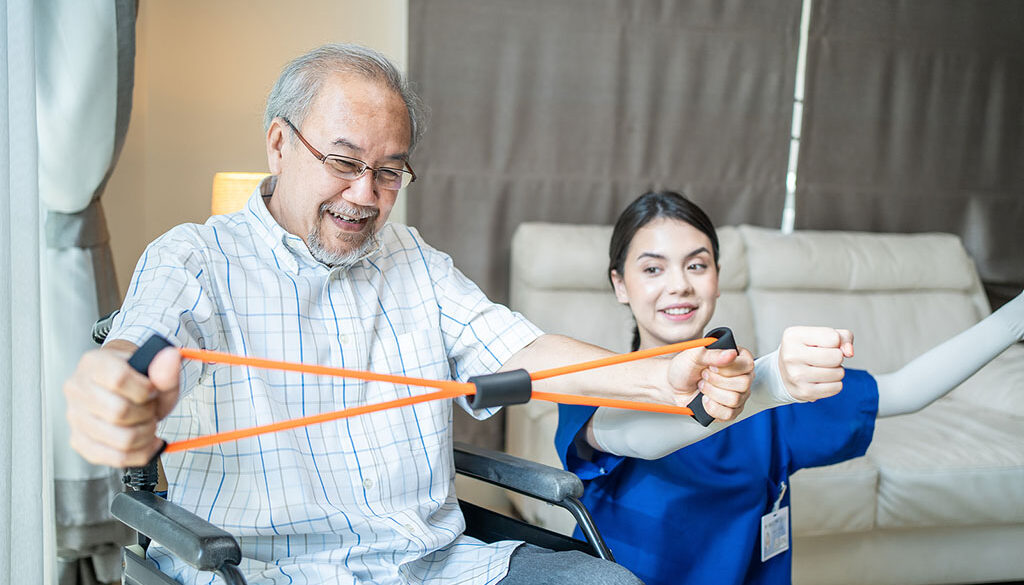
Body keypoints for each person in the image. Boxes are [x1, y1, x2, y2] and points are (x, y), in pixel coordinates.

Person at [60, 45, 764, 585]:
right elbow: (133, 352)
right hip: (262, 569)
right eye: (343, 161)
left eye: (390, 171)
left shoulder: (415, 260)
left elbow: (518, 349)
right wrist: (113, 390)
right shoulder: (196, 258)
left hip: (437, 566)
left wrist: (660, 376)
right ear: (278, 144)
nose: (365, 194)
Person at [554, 190, 1024, 585]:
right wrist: (767, 382)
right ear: (620, 284)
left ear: (717, 278)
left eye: (697, 266)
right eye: (653, 269)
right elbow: (632, 436)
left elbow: (905, 391)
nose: (679, 285)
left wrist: (1014, 316)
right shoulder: (592, 380)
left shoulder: (777, 386)